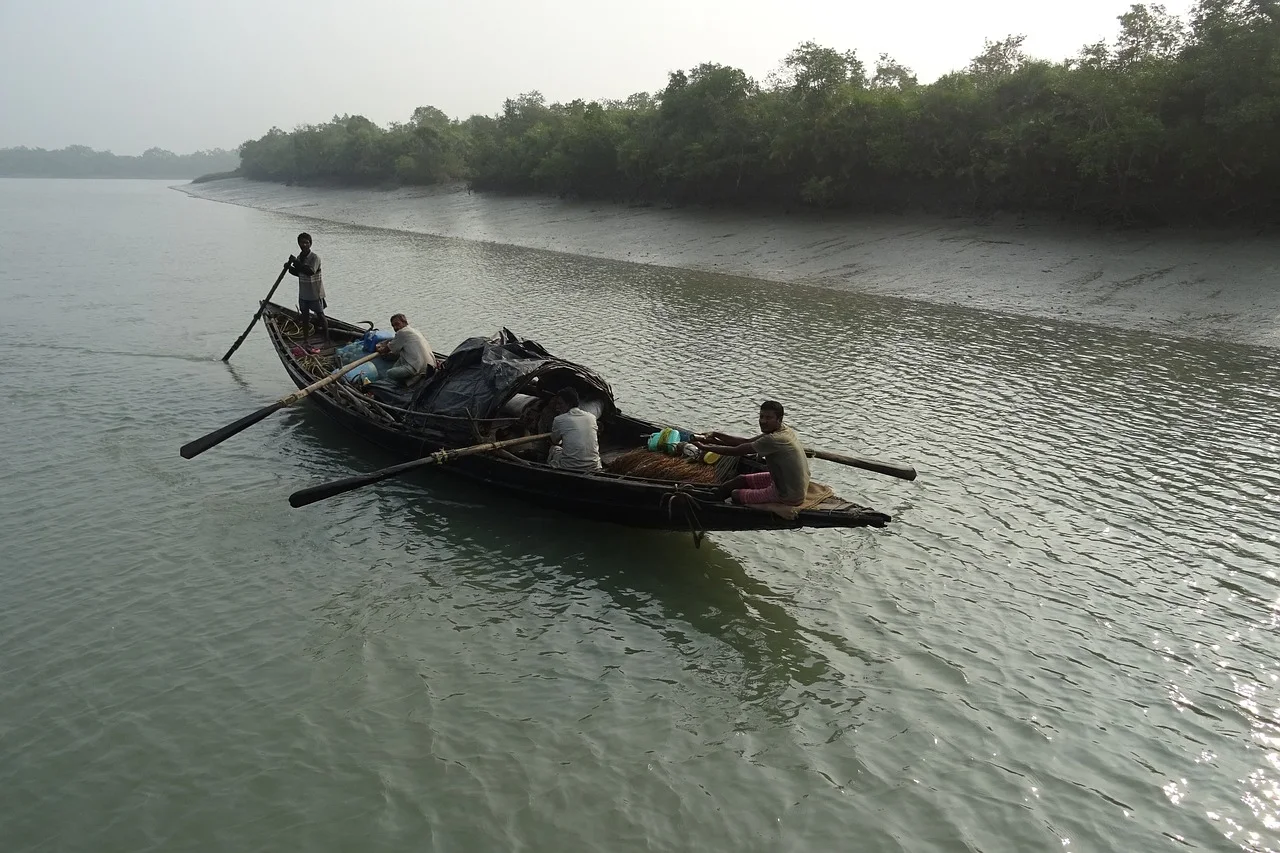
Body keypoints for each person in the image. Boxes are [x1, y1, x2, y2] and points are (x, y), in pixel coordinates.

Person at [693, 400, 810, 506]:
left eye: (768, 418)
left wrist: (705, 447)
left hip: (788, 494)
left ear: (779, 420)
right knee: (739, 479)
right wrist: (715, 435)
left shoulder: (774, 439)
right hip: (786, 482)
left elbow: (736, 451)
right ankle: (713, 495)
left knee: (735, 494)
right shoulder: (782, 430)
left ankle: (709, 502)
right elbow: (746, 442)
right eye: (761, 416)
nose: (763, 421)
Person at [285, 232, 328, 341]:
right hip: (303, 294)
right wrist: (290, 269)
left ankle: (326, 338)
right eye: (301, 242)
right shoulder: (300, 257)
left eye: (306, 242)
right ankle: (305, 339)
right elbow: (300, 273)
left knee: (320, 315)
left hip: (315, 293)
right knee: (305, 317)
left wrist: (296, 263)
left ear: (310, 244)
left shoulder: (314, 258)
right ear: (298, 243)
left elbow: (310, 272)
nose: (304, 245)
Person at [546, 387, 601, 472]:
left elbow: (555, 441)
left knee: (554, 449)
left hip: (569, 467)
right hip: (594, 466)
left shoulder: (559, 419)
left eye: (560, 404)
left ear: (569, 404)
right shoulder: (592, 417)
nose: (557, 407)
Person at [375, 313, 438, 386]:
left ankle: (404, 383)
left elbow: (386, 350)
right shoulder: (414, 331)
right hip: (430, 366)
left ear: (404, 322)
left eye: (397, 324)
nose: (395, 327)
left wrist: (378, 349)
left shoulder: (402, 333)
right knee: (400, 359)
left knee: (389, 373)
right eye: (393, 326)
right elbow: (395, 343)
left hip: (418, 369)